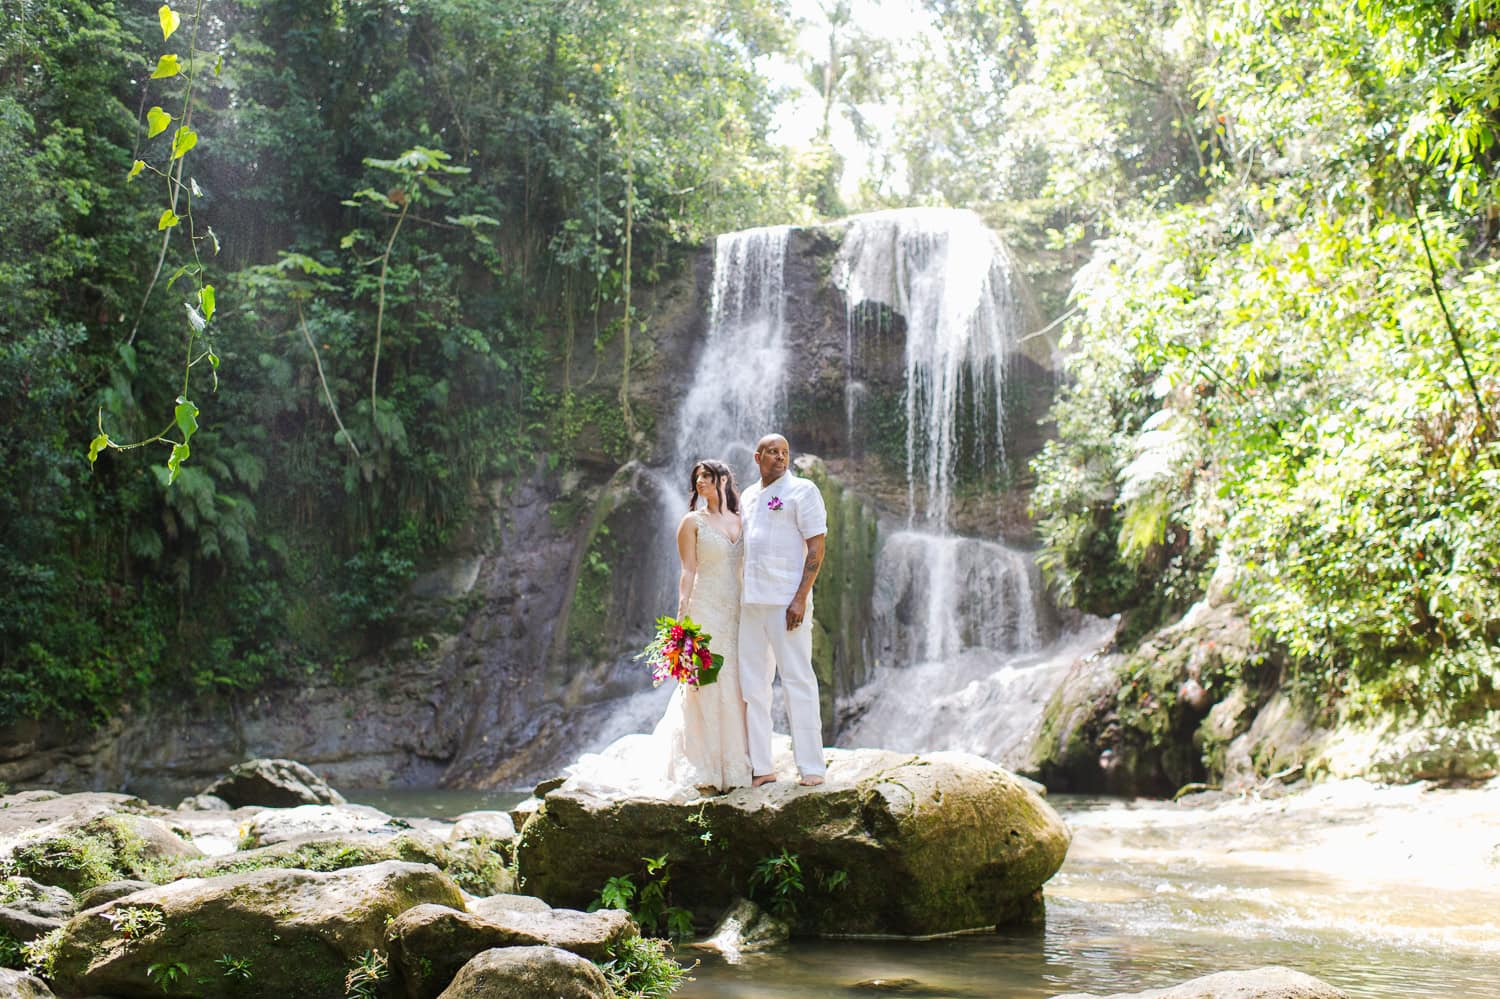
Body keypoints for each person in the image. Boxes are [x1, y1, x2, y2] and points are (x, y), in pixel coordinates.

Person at [656, 459, 752, 793]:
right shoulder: (691, 522)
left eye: (707, 477)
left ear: (724, 480)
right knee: (705, 680)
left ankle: (736, 761)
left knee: (736, 681)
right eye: (697, 478)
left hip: (736, 609)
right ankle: (702, 763)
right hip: (704, 607)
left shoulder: (741, 520)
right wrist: (682, 613)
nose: (700, 482)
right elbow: (688, 571)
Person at [738, 434, 828, 787]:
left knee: (797, 680)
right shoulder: (746, 495)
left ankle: (811, 767)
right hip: (751, 603)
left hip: (785, 601)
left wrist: (800, 598)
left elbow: (816, 547)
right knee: (753, 686)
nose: (780, 458)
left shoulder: (802, 491)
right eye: (773, 452)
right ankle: (762, 767)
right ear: (757, 457)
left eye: (785, 453)